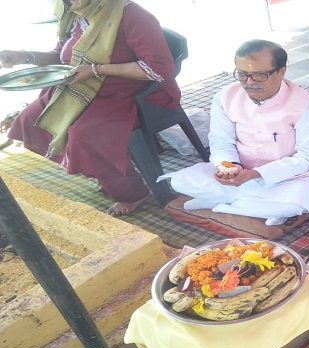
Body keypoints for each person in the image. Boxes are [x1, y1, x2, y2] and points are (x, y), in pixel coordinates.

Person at [160, 39, 309, 226]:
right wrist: (227, 165)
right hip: (242, 171)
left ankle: (222, 203)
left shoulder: (308, 106)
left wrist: (256, 175)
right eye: (241, 74)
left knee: (293, 204)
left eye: (259, 75)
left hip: (294, 177)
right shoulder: (224, 97)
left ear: (281, 71)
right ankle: (250, 205)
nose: (249, 82)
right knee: (179, 182)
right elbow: (220, 140)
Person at [1, 0, 180, 217]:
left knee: (85, 136)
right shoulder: (78, 11)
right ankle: (98, 171)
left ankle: (132, 192)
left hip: (134, 93)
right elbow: (65, 55)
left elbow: (159, 69)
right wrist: (25, 56)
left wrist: (97, 70)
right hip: (85, 87)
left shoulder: (131, 14)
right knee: (32, 117)